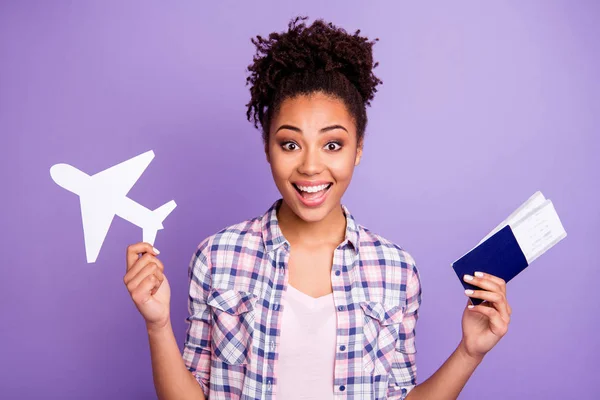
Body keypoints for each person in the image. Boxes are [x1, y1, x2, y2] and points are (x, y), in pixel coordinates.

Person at [123, 16, 512, 400]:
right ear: (268, 150)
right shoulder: (217, 257)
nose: (310, 166)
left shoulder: (396, 270)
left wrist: (469, 351)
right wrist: (157, 325)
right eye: (290, 144)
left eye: (332, 145)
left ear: (358, 149)